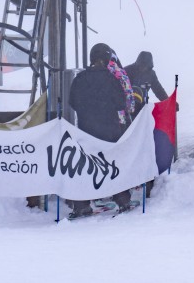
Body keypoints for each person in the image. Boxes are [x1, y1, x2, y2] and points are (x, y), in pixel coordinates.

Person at [67, 43, 134, 217]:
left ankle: (81, 205)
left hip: (86, 131)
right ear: (106, 59)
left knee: (84, 167)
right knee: (113, 166)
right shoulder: (111, 79)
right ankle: (123, 201)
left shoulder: (80, 78)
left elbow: (72, 102)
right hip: (109, 131)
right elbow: (121, 103)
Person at [125, 51, 171, 198]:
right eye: (142, 66)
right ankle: (129, 179)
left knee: (144, 145)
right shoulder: (127, 71)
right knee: (130, 146)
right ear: (138, 63)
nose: (144, 68)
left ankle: (145, 179)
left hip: (143, 113)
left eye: (147, 66)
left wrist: (169, 102)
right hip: (127, 114)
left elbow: (158, 89)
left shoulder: (151, 74)